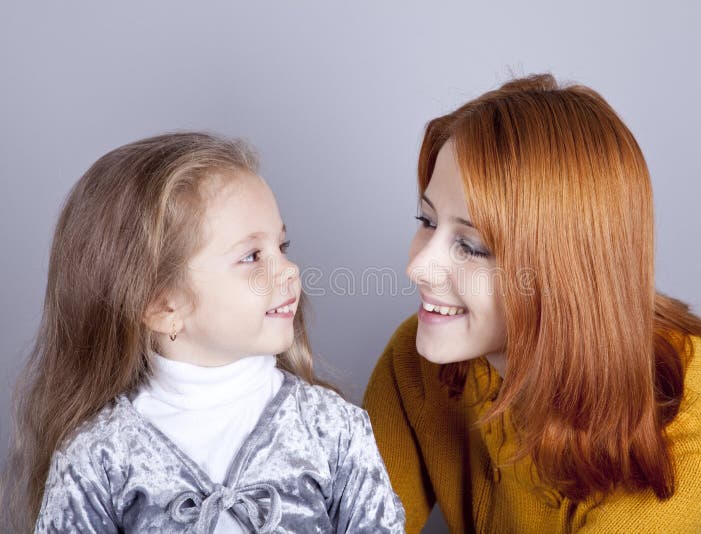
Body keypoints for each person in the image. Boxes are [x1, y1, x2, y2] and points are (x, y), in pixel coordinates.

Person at [363, 74, 701, 533]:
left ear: (563, 271)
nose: (419, 267)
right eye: (426, 220)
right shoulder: (419, 358)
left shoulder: (693, 423)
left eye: (473, 246)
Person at [1, 132, 405, 533]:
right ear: (163, 306)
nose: (289, 270)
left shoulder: (332, 429)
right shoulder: (100, 457)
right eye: (251, 257)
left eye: (282, 247)